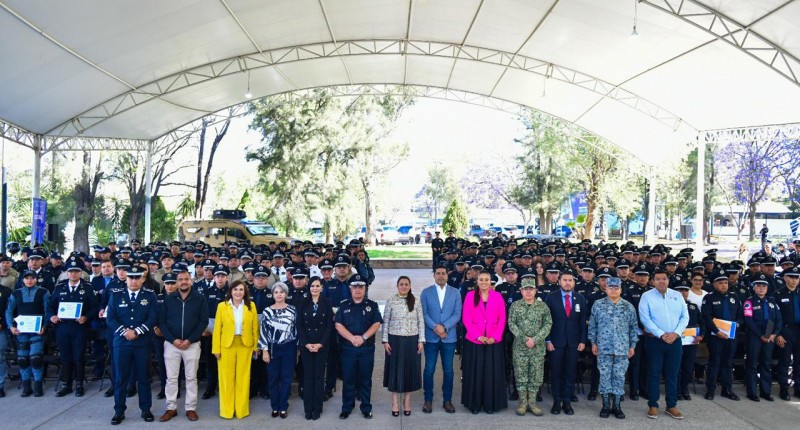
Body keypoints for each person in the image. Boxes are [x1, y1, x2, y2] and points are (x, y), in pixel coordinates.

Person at [106, 266, 158, 425]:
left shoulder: (150, 295)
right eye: (131, 277)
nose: (134, 281)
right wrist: (125, 332)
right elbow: (111, 318)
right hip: (121, 343)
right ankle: (119, 411)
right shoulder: (116, 295)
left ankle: (146, 409)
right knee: (121, 378)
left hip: (142, 343)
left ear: (142, 279)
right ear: (126, 279)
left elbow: (153, 317)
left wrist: (137, 332)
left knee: (143, 377)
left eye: (137, 277)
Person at [158, 270, 209, 422]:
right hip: (171, 344)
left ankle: (190, 408)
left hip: (191, 344)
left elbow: (203, 321)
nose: (183, 282)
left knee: (191, 378)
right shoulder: (168, 299)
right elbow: (162, 322)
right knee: (171, 378)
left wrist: (190, 340)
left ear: (190, 280)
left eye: (186, 279)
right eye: (180, 279)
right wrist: (172, 339)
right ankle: (171, 408)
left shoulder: (199, 298)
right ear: (177, 282)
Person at [638, 267, 689, 420]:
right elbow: (645, 318)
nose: (661, 281)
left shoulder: (677, 295)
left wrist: (676, 333)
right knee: (653, 373)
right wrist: (661, 334)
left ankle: (671, 405)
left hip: (675, 341)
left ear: (668, 280)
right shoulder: (646, 296)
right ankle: (653, 405)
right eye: (658, 279)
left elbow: (685, 317)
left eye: (664, 279)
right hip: (655, 341)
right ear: (653, 281)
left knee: (672, 374)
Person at [588, 277, 638, 419]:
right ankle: (605, 405)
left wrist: (632, 346)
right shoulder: (598, 305)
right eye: (611, 287)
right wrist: (593, 343)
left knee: (619, 376)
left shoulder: (628, 306)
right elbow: (592, 325)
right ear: (606, 288)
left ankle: (616, 406)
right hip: (603, 348)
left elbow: (633, 328)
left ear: (621, 289)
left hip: (622, 349)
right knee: (604, 376)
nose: (614, 289)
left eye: (616, 287)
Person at [49, 257, 97, 397]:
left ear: (81, 272)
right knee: (65, 356)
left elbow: (95, 307)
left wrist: (86, 317)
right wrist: (52, 316)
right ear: (67, 273)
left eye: (76, 271)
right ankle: (67, 385)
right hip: (62, 327)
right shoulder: (60, 287)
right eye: (71, 271)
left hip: (79, 327)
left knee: (78, 356)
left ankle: (79, 384)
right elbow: (50, 306)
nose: (73, 274)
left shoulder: (87, 287)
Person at [335, 277, 383, 419]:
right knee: (348, 379)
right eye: (354, 286)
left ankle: (366, 407)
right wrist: (352, 338)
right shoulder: (343, 305)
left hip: (366, 349)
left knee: (365, 380)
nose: (357, 289)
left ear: (365, 288)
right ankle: (347, 407)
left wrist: (363, 338)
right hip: (348, 349)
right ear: (350, 288)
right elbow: (338, 325)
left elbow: (376, 323)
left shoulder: (372, 305)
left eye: (360, 286)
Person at [461, 270, 507, 414]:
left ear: (490, 281)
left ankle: (490, 404)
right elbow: (466, 318)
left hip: (493, 341)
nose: (484, 282)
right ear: (477, 281)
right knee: (476, 374)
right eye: (481, 280)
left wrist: (495, 336)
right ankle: (475, 404)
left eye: (486, 279)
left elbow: (502, 318)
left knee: (491, 374)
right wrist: (478, 336)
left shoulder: (497, 296)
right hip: (475, 341)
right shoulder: (470, 296)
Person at [212, 280, 259, 419]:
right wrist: (216, 349)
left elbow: (255, 328)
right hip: (226, 346)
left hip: (245, 345)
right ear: (230, 291)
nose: (238, 292)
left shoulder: (251, 306)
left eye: (241, 289)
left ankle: (241, 410)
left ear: (245, 292)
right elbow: (217, 329)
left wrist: (256, 347)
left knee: (243, 378)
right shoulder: (222, 306)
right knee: (226, 379)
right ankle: (226, 411)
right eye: (235, 289)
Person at [544, 269, 586, 416]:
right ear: (559, 282)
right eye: (565, 280)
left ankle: (567, 401)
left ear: (574, 282)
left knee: (570, 372)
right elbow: (546, 321)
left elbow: (582, 322)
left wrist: (583, 340)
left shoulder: (580, 298)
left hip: (574, 343)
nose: (567, 283)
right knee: (556, 372)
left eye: (570, 280)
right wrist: (548, 339)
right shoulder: (551, 297)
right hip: (556, 342)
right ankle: (557, 400)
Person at [420, 264, 461, 414]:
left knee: (448, 371)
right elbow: (424, 313)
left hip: (449, 338)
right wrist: (436, 328)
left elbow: (457, 314)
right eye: (438, 273)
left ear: (447, 275)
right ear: (434, 275)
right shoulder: (426, 292)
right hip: (431, 338)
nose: (441, 276)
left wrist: (444, 327)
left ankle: (447, 400)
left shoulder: (455, 292)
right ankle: (428, 400)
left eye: (443, 273)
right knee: (429, 370)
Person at [508, 277, 551, 416]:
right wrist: (525, 339)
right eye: (525, 289)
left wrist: (535, 339)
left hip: (537, 348)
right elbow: (511, 324)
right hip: (520, 347)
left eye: (531, 289)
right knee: (521, 375)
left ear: (535, 290)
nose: (528, 291)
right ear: (521, 291)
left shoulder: (543, 306)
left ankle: (532, 403)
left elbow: (548, 324)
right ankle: (523, 403)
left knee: (536, 376)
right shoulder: (515, 306)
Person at [382, 275, 425, 416]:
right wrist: (385, 340)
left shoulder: (416, 301)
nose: (404, 286)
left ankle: (407, 401)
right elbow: (386, 321)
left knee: (409, 371)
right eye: (401, 284)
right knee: (394, 371)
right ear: (397, 286)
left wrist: (421, 340)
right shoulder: (391, 300)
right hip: (394, 340)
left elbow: (421, 321)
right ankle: (394, 402)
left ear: (410, 286)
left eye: (406, 284)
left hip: (412, 340)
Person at [5, 270, 51, 397]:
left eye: (32, 278)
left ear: (36, 279)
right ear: (23, 280)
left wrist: (45, 326)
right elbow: (9, 311)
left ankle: (38, 386)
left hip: (37, 331)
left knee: (36, 358)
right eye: (27, 278)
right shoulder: (16, 293)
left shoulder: (44, 292)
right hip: (21, 332)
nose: (29, 280)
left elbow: (48, 310)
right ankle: (26, 386)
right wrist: (11, 326)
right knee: (22, 359)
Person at [702, 270, 742, 402]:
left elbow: (740, 315)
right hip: (716, 336)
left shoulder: (734, 296)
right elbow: (707, 317)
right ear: (714, 284)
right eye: (720, 283)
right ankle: (710, 390)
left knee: (727, 363)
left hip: (731, 336)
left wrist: (737, 324)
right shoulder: (709, 298)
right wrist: (716, 331)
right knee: (714, 363)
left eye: (725, 282)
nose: (724, 285)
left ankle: (727, 390)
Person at [258, 281, 297, 419]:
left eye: (281, 292)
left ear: (286, 294)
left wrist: (297, 349)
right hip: (272, 347)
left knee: (286, 377)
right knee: (273, 378)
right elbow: (263, 331)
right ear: (272, 294)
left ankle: (283, 406)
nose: (279, 294)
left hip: (289, 346)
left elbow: (296, 330)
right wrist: (264, 350)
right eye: (276, 292)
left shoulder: (293, 310)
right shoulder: (267, 311)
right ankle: (275, 406)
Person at [296, 276, 333, 420]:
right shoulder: (302, 302)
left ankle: (317, 408)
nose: (315, 288)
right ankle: (308, 409)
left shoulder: (327, 302)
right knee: (308, 377)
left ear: (322, 288)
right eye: (312, 286)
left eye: (317, 286)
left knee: (318, 378)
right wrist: (306, 344)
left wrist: (320, 344)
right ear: (309, 287)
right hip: (306, 346)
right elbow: (299, 325)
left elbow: (329, 326)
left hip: (321, 346)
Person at [742, 275, 781, 402]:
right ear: (754, 287)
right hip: (755, 337)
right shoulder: (749, 302)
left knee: (766, 364)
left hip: (770, 337)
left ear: (767, 288)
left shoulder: (772, 301)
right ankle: (752, 392)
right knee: (752, 364)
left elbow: (779, 320)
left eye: (764, 285)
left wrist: (775, 334)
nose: (761, 288)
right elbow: (748, 320)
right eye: (758, 285)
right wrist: (761, 335)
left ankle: (765, 392)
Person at [201, 264, 229, 399]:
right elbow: (201, 313)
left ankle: (226, 387)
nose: (220, 278)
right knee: (211, 361)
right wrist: (203, 329)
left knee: (227, 362)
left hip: (228, 333)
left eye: (223, 276)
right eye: (218, 276)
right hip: (210, 333)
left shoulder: (233, 292)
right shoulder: (206, 292)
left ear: (227, 277)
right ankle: (210, 388)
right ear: (214, 277)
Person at [675, 282, 705, 400]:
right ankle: (676, 390)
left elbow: (702, 322)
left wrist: (701, 335)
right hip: (676, 340)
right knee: (676, 366)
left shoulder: (693, 306)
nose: (683, 293)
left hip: (691, 341)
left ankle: (684, 388)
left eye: (686, 290)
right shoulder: (670, 306)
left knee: (688, 366)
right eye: (680, 290)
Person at [775, 266, 800, 400]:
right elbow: (774, 317)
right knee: (784, 361)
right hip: (785, 331)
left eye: (796, 277)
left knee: (798, 362)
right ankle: (783, 389)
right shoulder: (778, 294)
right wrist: (778, 334)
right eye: (791, 277)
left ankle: (798, 388)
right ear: (785, 278)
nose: (794, 280)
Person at [0, 278, 11, 397]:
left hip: (0, 329)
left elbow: (9, 311)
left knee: (0, 358)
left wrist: (2, 324)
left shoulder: (6, 291)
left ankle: (0, 385)